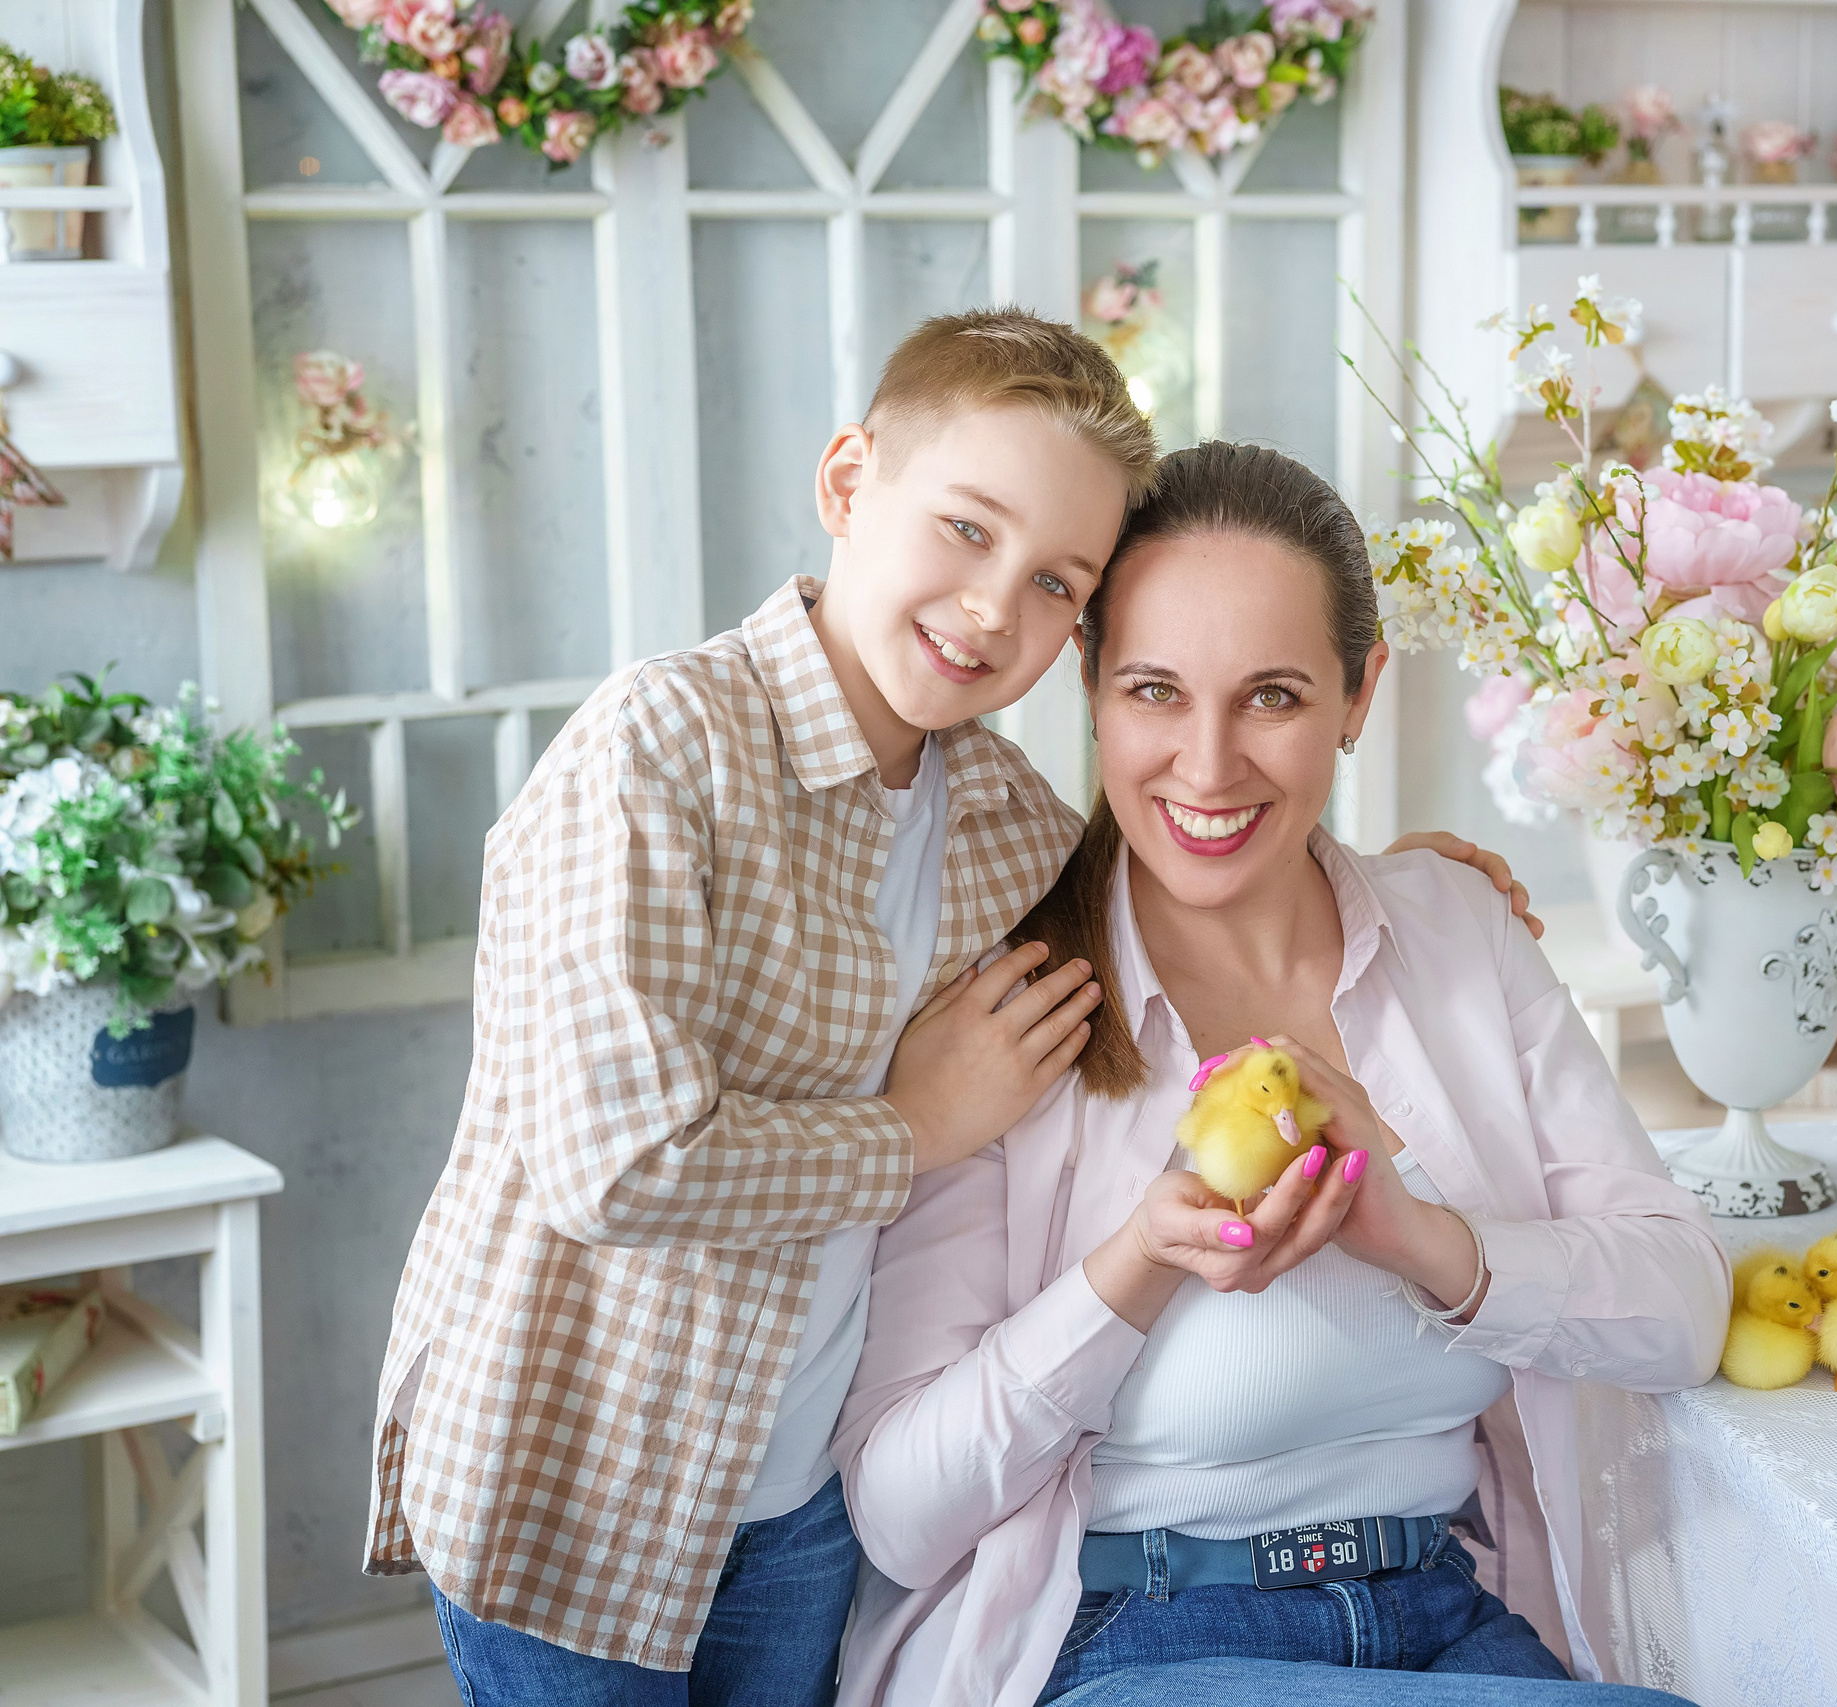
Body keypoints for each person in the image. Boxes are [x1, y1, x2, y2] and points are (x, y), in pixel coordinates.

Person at [364, 314, 1530, 1707]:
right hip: (588, 1468)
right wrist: (909, 1125)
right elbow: (614, 1161)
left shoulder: (995, 818)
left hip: (794, 1500)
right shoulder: (656, 748)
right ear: (851, 484)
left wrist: (1397, 871)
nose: (994, 610)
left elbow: (1184, 841)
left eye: (1054, 582)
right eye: (965, 530)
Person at [834, 442, 1728, 1707]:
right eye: (1153, 690)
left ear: (1359, 694)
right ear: (1088, 685)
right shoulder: (1006, 1010)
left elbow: (1682, 1306)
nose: (1206, 767)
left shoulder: (1456, 933)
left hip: (1446, 1621)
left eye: (1272, 697)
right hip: (1134, 1640)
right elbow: (897, 1510)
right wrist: (1136, 1262)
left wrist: (1422, 1237)